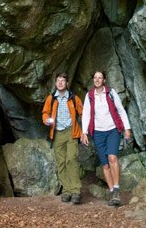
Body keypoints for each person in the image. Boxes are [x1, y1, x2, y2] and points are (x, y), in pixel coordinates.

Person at [81, 70, 131, 206]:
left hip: (113, 130)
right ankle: (111, 192)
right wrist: (84, 132)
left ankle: (116, 189)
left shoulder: (111, 93)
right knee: (105, 164)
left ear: (104, 80)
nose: (97, 80)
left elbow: (121, 110)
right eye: (95, 78)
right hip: (98, 132)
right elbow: (86, 115)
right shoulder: (89, 96)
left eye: (100, 78)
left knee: (112, 157)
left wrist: (127, 128)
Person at [42, 72, 84, 204]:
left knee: (71, 159)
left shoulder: (73, 98)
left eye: (63, 81)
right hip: (57, 133)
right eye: (58, 80)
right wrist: (46, 120)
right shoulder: (51, 98)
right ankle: (67, 191)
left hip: (72, 132)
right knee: (61, 162)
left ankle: (75, 191)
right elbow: (45, 112)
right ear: (55, 83)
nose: (60, 83)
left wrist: (84, 131)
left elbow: (83, 113)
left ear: (67, 83)